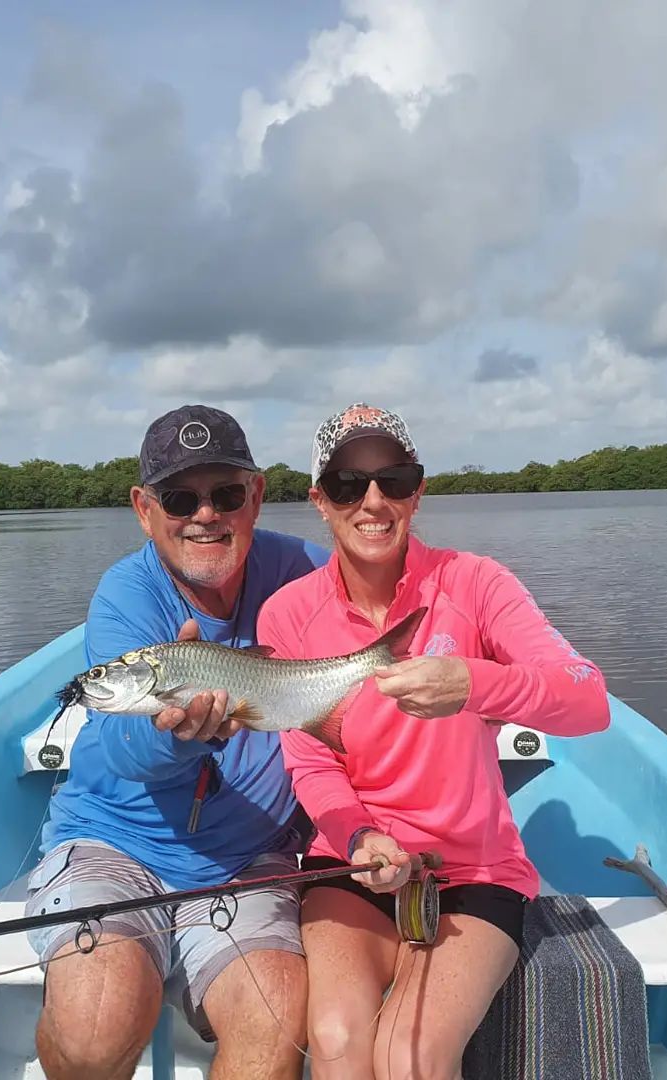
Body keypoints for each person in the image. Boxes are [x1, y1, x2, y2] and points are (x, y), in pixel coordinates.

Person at [255, 402, 612, 1080]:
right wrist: (361, 838)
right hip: (351, 864)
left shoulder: (475, 583)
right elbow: (309, 758)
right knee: (333, 1037)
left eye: (393, 480)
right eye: (346, 485)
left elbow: (588, 699)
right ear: (318, 502)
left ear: (418, 491)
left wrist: (476, 684)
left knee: (411, 1054)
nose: (372, 501)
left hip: (472, 871)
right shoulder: (289, 612)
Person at [22, 404, 331, 1080]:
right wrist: (183, 739)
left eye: (225, 494)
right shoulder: (126, 595)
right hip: (117, 843)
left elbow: (373, 656)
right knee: (90, 1031)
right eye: (179, 497)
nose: (204, 515)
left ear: (256, 496)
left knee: (276, 1027)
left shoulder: (313, 575)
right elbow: (128, 751)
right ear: (143, 508)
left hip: (248, 858)